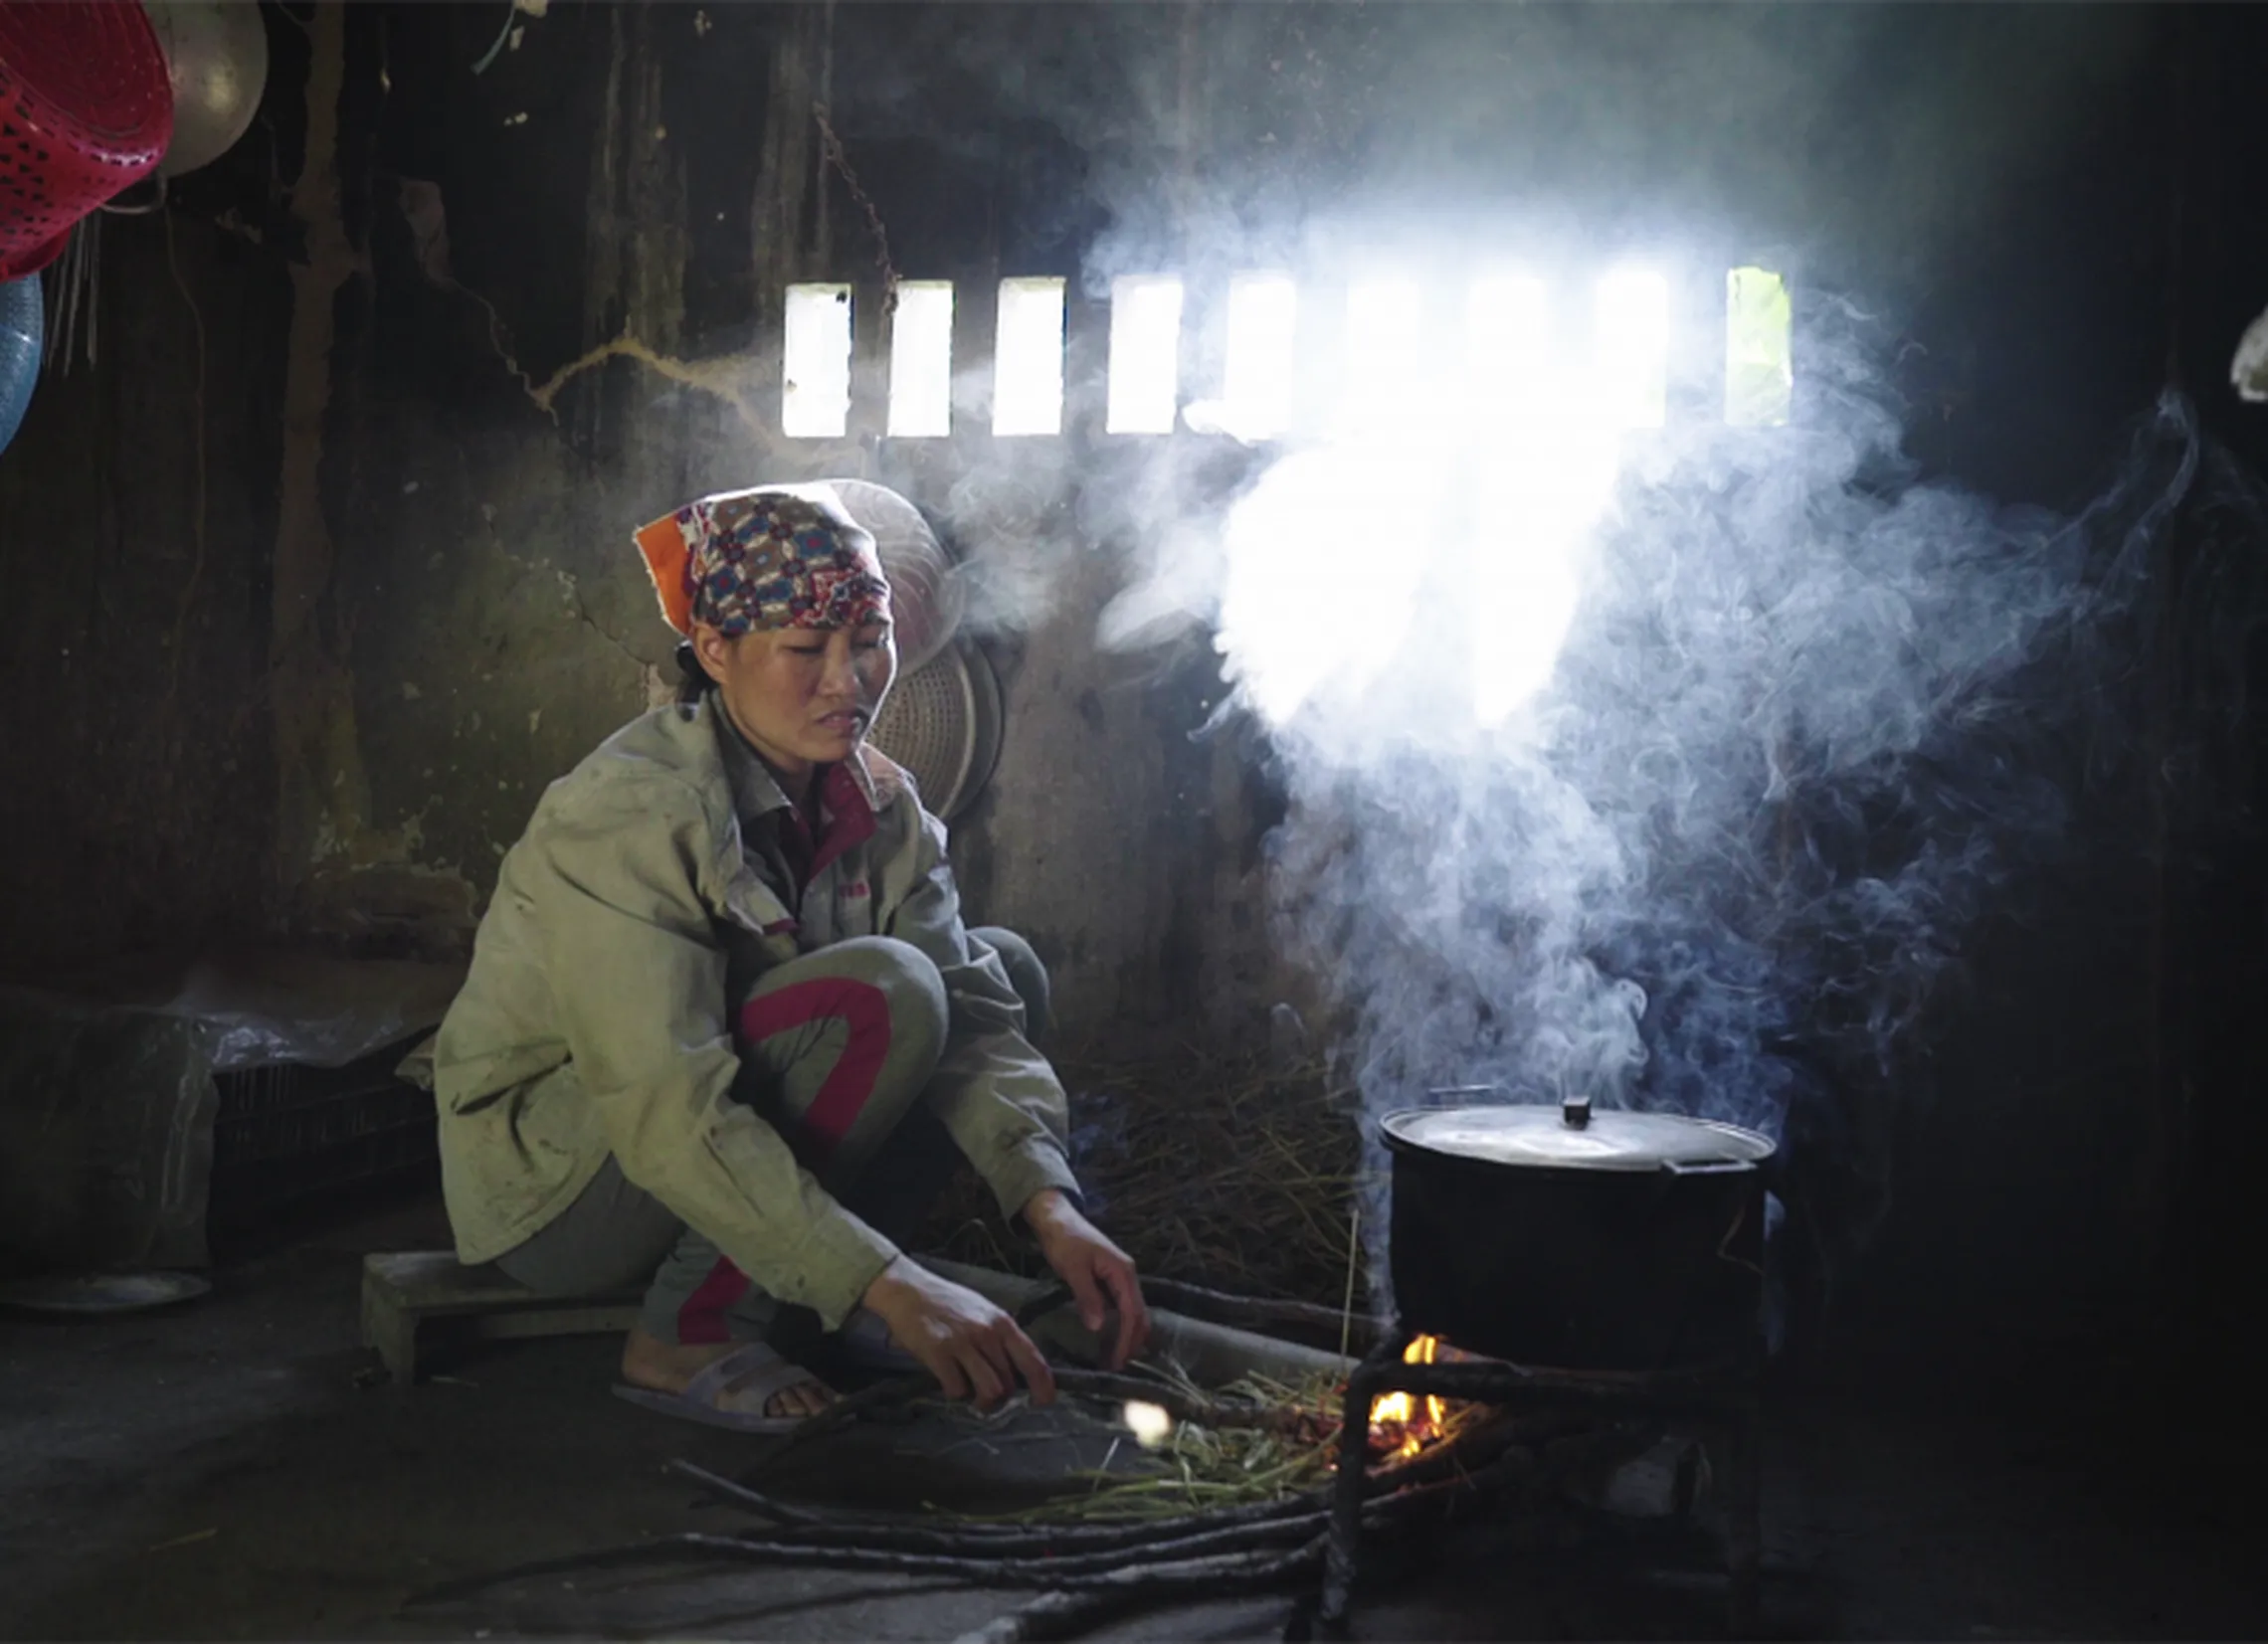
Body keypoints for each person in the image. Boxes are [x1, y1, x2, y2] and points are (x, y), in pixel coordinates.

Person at [421, 481, 1150, 1430]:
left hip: (690, 1155)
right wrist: (891, 1282)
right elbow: (663, 1106)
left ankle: (809, 1296)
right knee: (885, 994)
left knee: (995, 972)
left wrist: (1049, 1201)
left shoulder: (885, 808)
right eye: (807, 650)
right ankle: (692, 1330)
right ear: (716, 650)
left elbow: (971, 1019)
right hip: (564, 1186)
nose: (849, 681)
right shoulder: (632, 809)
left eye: (870, 641)